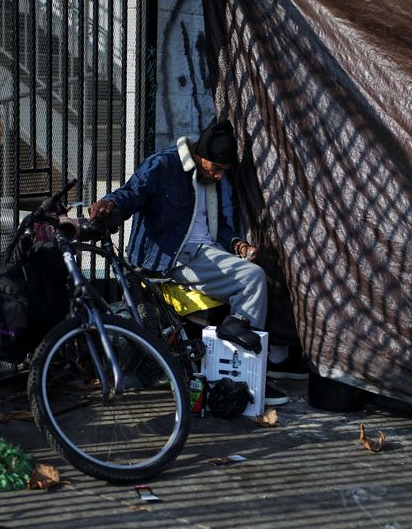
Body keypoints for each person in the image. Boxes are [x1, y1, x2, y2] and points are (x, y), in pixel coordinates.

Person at [88, 119, 289, 405]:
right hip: (172, 257)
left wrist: (238, 244)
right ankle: (246, 369)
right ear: (199, 156)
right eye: (216, 168)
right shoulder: (164, 165)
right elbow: (131, 193)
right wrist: (110, 205)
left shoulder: (218, 182)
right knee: (252, 278)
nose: (219, 176)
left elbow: (222, 225)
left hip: (205, 254)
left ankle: (244, 366)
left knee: (254, 274)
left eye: (224, 171)